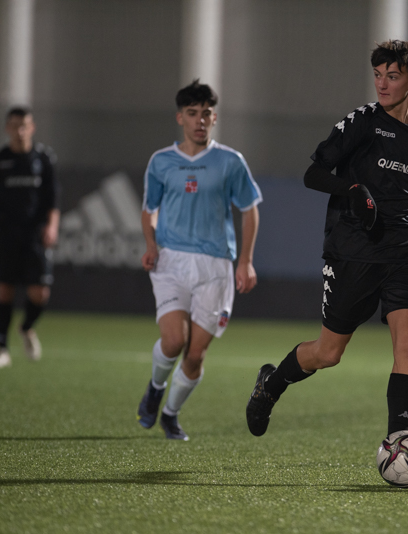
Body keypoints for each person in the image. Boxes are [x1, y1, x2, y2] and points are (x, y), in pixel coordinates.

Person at [246, 40, 408, 441]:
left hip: (404, 254)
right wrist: (352, 189)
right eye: (378, 75)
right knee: (328, 353)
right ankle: (271, 384)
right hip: (354, 251)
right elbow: (313, 173)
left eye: (393, 76)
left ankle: (396, 443)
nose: (382, 84)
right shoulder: (362, 122)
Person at [137, 80, 262, 441]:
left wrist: (245, 261)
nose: (200, 121)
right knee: (174, 340)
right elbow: (149, 209)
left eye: (206, 114)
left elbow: (250, 210)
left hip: (215, 266)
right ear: (180, 118)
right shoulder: (162, 161)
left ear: (214, 118)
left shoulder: (230, 161)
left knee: (195, 354)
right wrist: (150, 244)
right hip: (171, 261)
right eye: (192, 114)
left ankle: (170, 415)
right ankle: (155, 388)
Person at [0, 107, 60, 369]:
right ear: (7, 128)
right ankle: (2, 349)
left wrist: (52, 227)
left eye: (24, 125)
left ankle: (26, 327)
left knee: (40, 293)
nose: (20, 131)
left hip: (35, 235)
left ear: (32, 127)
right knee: (4, 290)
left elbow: (53, 200)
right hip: (5, 234)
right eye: (14, 126)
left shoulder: (43, 159)